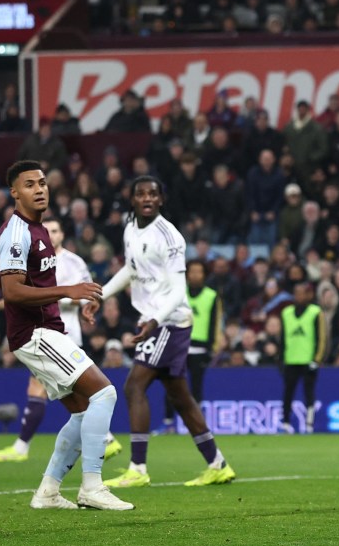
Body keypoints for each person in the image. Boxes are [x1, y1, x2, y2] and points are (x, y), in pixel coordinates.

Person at [0, 160, 131, 510]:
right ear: (14, 192)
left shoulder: (38, 228)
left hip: (46, 330)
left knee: (84, 410)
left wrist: (77, 301)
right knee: (105, 393)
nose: (39, 189)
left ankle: (48, 491)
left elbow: (29, 287)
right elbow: (13, 291)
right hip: (34, 333)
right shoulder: (16, 232)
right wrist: (68, 290)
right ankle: (92, 486)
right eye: (29, 184)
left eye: (42, 182)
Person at [83, 176, 235, 488]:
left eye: (153, 193)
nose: (147, 198)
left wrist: (153, 322)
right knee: (180, 397)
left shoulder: (170, 236)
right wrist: (101, 296)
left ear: (161, 200)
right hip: (157, 321)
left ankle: (138, 468)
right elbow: (131, 269)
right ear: (133, 199)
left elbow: (179, 291)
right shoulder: (130, 228)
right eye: (141, 193)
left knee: (133, 386)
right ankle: (217, 463)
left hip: (168, 321)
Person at [0, 217, 122, 463]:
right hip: (43, 334)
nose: (52, 234)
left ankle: (24, 447)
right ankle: (26, 448)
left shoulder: (74, 261)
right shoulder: (32, 259)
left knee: (83, 391)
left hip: (63, 333)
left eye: (56, 230)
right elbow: (23, 292)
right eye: (48, 230)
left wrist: (65, 296)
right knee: (51, 390)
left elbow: (86, 294)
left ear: (62, 234)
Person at [156, 259, 222, 434]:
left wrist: (212, 348)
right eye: (191, 271)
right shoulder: (178, 293)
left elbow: (215, 323)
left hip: (200, 349)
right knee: (171, 385)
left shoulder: (211, 296)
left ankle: (197, 426)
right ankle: (168, 422)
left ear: (204, 275)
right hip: (177, 345)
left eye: (198, 271)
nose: (194, 275)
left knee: (196, 388)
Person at [278, 282, 327, 433]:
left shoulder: (315, 312)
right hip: (291, 359)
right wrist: (281, 359)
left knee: (309, 393)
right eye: (296, 293)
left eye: (302, 293)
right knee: (288, 393)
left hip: (308, 360)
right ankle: (286, 423)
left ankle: (309, 423)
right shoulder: (286, 313)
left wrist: (317, 359)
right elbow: (283, 338)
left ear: (309, 295)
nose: (299, 296)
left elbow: (322, 337)